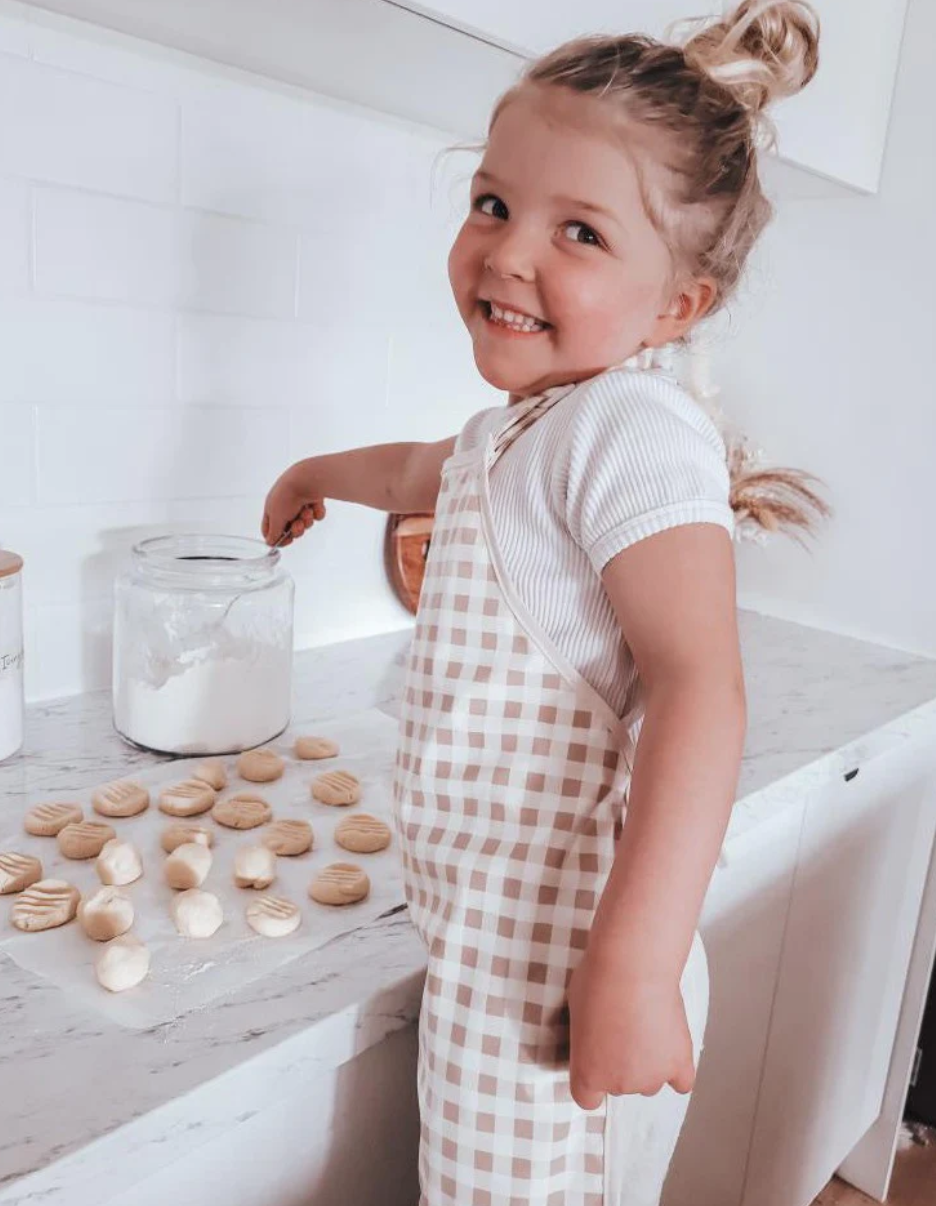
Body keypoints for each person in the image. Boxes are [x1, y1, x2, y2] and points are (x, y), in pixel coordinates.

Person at [262, 3, 825, 1201]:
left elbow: (700, 692)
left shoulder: (631, 427)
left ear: (679, 306)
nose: (510, 252)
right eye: (492, 203)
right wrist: (319, 475)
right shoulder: (520, 430)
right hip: (490, 947)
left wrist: (633, 961)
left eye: (579, 230)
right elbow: (422, 468)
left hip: (566, 962)